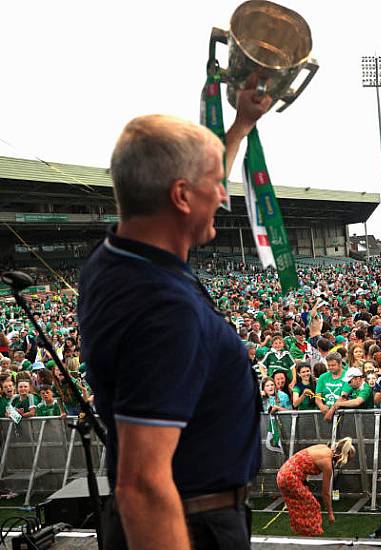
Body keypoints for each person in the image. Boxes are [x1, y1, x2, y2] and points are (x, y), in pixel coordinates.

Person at [78, 81, 270, 549]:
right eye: (216, 187)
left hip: (190, 512)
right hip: (187, 524)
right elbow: (142, 485)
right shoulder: (163, 309)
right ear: (182, 197)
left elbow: (189, 183)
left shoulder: (119, 258)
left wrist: (240, 125)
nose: (223, 198)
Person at [276, 438, 356, 536]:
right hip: (290, 478)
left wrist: (304, 481)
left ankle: (299, 531)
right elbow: (325, 493)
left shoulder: (323, 447)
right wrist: (330, 513)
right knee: (313, 505)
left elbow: (300, 460)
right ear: (342, 456)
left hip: (282, 474)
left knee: (296, 505)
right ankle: (312, 534)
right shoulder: (327, 464)